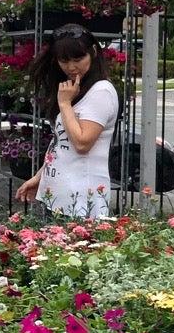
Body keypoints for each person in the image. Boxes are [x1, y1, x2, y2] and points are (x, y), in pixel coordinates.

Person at [15, 24, 119, 219]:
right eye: (64, 60)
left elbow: (81, 143)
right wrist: (39, 177)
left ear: (94, 52)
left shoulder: (101, 91)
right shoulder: (75, 90)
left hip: (80, 201)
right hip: (57, 197)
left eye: (78, 59)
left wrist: (64, 104)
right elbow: (62, 145)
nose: (72, 67)